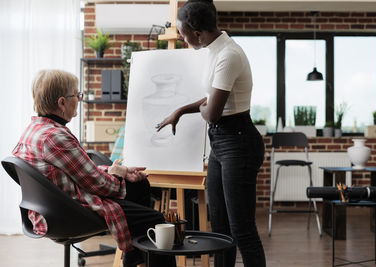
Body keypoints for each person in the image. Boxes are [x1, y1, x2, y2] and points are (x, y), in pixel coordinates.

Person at [12, 69, 176, 267]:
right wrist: (118, 178)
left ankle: (132, 254)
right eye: (77, 95)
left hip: (51, 207)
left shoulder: (36, 129)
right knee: (156, 220)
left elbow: (78, 172)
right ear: (62, 102)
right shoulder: (56, 137)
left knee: (140, 185)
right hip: (69, 211)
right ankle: (134, 253)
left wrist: (118, 173)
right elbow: (99, 186)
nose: (80, 99)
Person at [156, 0, 266, 266]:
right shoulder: (214, 51)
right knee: (219, 227)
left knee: (242, 230)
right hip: (222, 142)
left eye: (182, 33)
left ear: (195, 32)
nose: (182, 38)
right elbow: (211, 99)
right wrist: (180, 111)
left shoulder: (229, 55)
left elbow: (213, 112)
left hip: (238, 141)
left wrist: (205, 107)